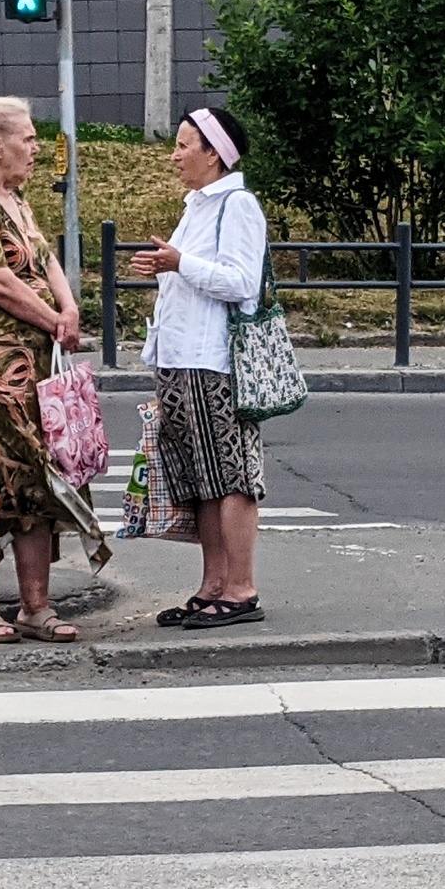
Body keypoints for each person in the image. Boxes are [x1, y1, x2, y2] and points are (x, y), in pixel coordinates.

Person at [0, 96, 111, 644]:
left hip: (32, 363)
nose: (36, 147)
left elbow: (45, 258)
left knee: (38, 478)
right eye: (28, 138)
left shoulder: (14, 197)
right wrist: (55, 319)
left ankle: (36, 605)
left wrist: (69, 308)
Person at [130, 106, 268, 629]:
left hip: (215, 363)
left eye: (185, 145)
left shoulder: (237, 205)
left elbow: (239, 283)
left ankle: (240, 588)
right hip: (178, 360)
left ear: (214, 153)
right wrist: (167, 267)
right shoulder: (198, 205)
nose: (175, 154)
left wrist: (179, 263)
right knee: (200, 480)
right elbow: (192, 277)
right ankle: (212, 586)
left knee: (231, 477)